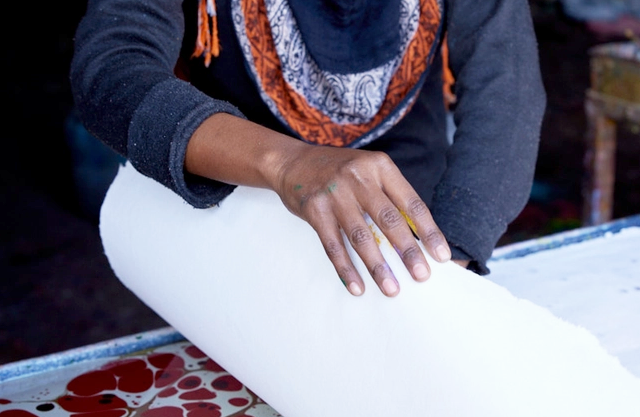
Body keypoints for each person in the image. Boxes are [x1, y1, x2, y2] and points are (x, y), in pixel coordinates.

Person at [70, 0, 545, 297]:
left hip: (408, 236)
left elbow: (507, 86)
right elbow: (112, 70)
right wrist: (285, 163)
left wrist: (447, 262)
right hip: (242, 229)